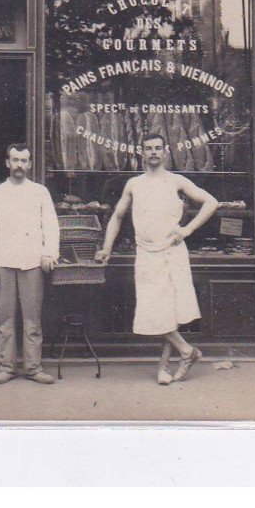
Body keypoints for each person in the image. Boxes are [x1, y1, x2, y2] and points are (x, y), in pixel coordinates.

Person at [96, 133, 219, 384]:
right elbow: (117, 217)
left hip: (172, 253)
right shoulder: (133, 184)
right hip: (146, 253)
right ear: (142, 152)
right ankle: (187, 351)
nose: (153, 152)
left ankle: (164, 368)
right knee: (153, 309)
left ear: (165, 152)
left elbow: (211, 202)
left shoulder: (177, 181)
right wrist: (107, 248)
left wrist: (187, 229)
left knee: (168, 311)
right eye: (148, 148)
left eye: (158, 148)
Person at [0, 143, 60, 385]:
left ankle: (34, 368)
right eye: (15, 160)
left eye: (24, 161)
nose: (19, 165)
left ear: (30, 164)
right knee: (4, 318)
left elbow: (50, 225)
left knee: (32, 318)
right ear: (7, 163)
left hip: (32, 262)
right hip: (3, 262)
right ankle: (7, 366)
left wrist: (49, 254)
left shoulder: (40, 192)